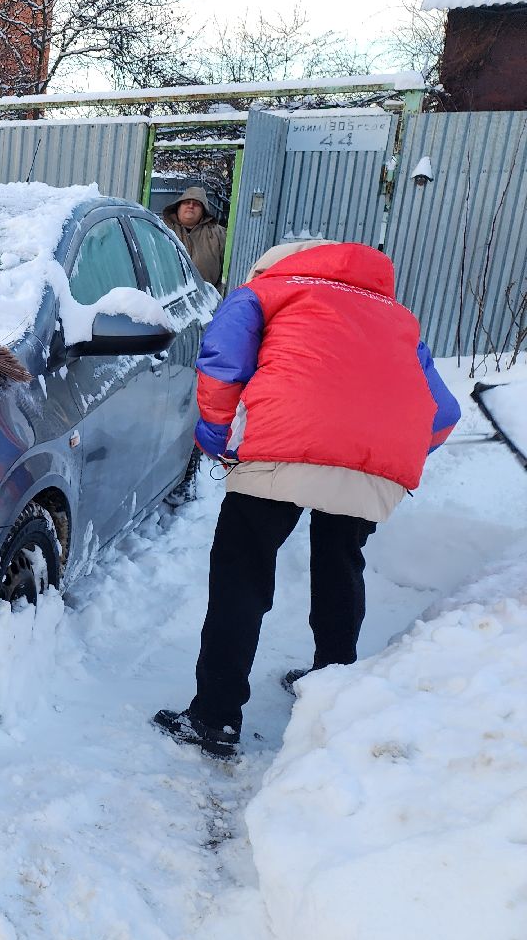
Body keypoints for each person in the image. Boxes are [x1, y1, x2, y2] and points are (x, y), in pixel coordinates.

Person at [153, 239, 460, 759]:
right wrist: (383, 455)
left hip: (282, 444)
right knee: (342, 564)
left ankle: (215, 717)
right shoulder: (397, 317)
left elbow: (222, 362)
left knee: (242, 576)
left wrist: (216, 437)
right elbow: (443, 413)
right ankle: (332, 690)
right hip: (374, 465)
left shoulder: (264, 291)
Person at [162, 186, 227, 292]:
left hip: (205, 301)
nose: (191, 206)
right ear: (178, 207)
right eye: (186, 202)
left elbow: (227, 270)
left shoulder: (218, 234)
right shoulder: (162, 229)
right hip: (168, 296)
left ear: (203, 211)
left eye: (196, 204)